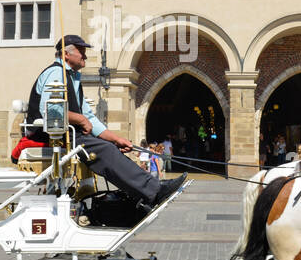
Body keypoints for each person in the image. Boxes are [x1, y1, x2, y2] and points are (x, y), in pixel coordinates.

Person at [25, 34, 185, 207]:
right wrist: (80, 119)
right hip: (51, 135)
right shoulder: (56, 72)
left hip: (70, 134)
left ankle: (145, 192)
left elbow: (90, 118)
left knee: (112, 147)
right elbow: (50, 111)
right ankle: (153, 191)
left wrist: (117, 139)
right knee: (105, 149)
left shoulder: (72, 77)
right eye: (81, 51)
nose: (85, 56)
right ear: (66, 54)